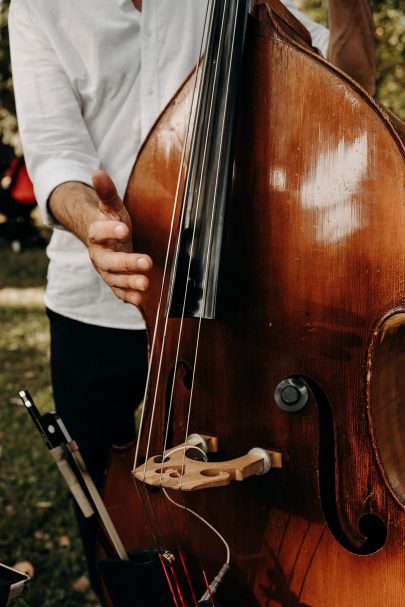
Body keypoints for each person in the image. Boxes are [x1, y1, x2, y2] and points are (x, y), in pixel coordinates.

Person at [8, 0, 374, 601]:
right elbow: (56, 157)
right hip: (92, 300)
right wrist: (93, 225)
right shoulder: (39, 8)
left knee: (248, 498)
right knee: (108, 512)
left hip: (230, 304)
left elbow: (344, 89)